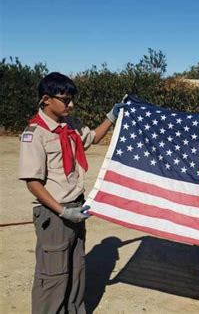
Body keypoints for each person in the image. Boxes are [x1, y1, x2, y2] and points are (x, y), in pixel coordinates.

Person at [18, 72, 124, 314]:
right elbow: (33, 182)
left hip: (77, 207)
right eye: (65, 100)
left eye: (72, 99)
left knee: (76, 270)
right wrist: (63, 211)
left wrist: (111, 116)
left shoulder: (71, 126)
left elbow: (93, 138)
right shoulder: (35, 133)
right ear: (46, 99)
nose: (71, 104)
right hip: (54, 213)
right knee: (53, 275)